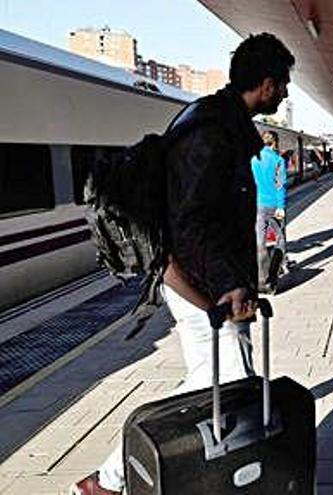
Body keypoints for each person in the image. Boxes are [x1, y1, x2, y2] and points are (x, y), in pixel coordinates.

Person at [70, 33, 295, 495]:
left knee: (212, 375)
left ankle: (126, 477)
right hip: (193, 279)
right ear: (267, 83)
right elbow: (192, 221)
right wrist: (229, 285)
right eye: (284, 84)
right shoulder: (212, 133)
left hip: (194, 275)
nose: (287, 93)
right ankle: (110, 479)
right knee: (229, 373)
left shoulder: (215, 120)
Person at [251, 130, 287, 292]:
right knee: (280, 239)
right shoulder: (278, 160)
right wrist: (280, 206)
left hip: (258, 205)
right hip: (274, 205)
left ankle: (261, 280)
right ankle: (273, 277)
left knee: (260, 243)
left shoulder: (253, 159)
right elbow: (280, 185)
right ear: (275, 142)